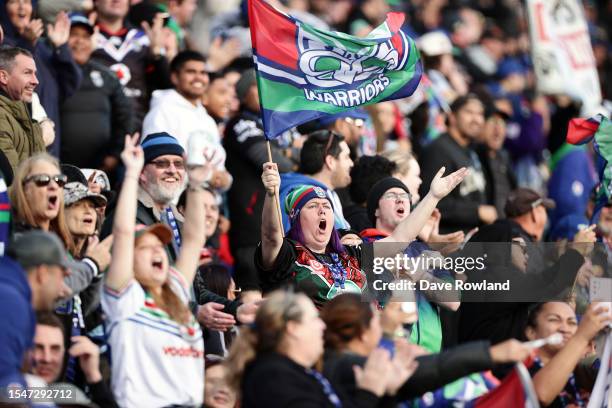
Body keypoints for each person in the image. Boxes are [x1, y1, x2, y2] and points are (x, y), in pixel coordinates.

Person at [257, 160, 467, 307]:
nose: (322, 210)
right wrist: (270, 194)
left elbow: (399, 239)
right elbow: (270, 236)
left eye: (326, 206)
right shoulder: (286, 254)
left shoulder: (351, 254)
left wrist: (433, 197)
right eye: (312, 206)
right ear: (295, 217)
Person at [101, 133, 208, 407]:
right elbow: (124, 233)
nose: (158, 251)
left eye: (160, 246)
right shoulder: (126, 300)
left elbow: (194, 239)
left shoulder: (174, 290)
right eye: (145, 248)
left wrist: (196, 185)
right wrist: (131, 173)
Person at [321, 293, 532, 404]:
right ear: (363, 333)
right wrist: (491, 354)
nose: (381, 325)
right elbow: (426, 371)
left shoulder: (339, 361)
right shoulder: (348, 366)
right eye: (375, 321)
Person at [225, 290, 398, 407]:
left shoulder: (304, 373)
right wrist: (368, 394)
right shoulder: (272, 376)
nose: (323, 326)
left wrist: (387, 392)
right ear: (293, 328)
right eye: (315, 318)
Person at [224, 69, 296, 292]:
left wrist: (289, 152)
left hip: (277, 225)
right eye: (258, 86)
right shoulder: (241, 124)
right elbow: (276, 163)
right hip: (250, 224)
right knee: (253, 290)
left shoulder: (281, 127)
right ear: (244, 94)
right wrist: (292, 154)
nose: (266, 92)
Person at [0, 2, 82, 156]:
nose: (22, 7)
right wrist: (26, 44)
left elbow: (69, 86)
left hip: (49, 148)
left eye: (26, 2)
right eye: (13, 1)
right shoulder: (3, 45)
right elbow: (13, 87)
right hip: (20, 151)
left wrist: (61, 48)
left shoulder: (43, 47)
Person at [143, 50, 232, 191]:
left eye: (203, 73)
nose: (198, 78)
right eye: (191, 72)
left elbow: (219, 167)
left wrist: (224, 178)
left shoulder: (208, 120)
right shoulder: (162, 111)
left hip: (206, 203)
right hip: (173, 202)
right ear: (175, 77)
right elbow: (157, 163)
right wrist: (207, 175)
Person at [1, 231, 72, 393]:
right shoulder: (11, 302)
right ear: (42, 273)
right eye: (62, 276)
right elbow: (5, 392)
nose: (65, 290)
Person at [61, 14, 133, 175]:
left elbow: (125, 117)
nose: (79, 41)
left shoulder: (106, 75)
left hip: (102, 169)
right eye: (73, 35)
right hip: (59, 168)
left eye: (86, 36)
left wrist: (115, 155)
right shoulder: (50, 73)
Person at [101, 132, 186, 262]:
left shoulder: (177, 217)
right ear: (141, 172)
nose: (172, 170)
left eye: (179, 163)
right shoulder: (125, 216)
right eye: (162, 163)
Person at [419, 94, 497, 233]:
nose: (477, 119)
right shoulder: (438, 150)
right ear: (452, 117)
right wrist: (477, 211)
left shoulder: (472, 151)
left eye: (480, 114)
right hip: (447, 242)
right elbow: (430, 202)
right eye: (469, 112)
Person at [92, 0, 171, 125]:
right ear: (95, 2)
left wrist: (157, 54)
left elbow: (166, 87)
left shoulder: (145, 38)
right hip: (97, 123)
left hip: (136, 125)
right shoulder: (82, 36)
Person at [524, 302, 612, 407]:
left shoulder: (575, 374)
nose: (564, 329)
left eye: (571, 322)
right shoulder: (519, 367)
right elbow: (540, 394)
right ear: (531, 332)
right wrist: (581, 336)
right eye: (554, 320)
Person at [31, 312, 118, 407]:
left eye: (55, 349)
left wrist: (94, 377)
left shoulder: (69, 398)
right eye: (38, 348)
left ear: (64, 352)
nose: (47, 358)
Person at [279, 130, 353, 232]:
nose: (351, 163)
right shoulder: (296, 195)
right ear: (330, 161)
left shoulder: (330, 194)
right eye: (346, 157)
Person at [0, 45, 46, 173]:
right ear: (3, 77)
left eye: (35, 74)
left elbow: (42, 173)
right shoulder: (1, 117)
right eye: (27, 73)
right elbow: (10, 186)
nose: (35, 81)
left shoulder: (24, 113)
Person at [477, 103, 516, 217]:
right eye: (493, 122)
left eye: (502, 124)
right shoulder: (472, 156)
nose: (497, 129)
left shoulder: (505, 156)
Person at [63, 182, 107, 258]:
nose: (88, 211)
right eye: (77, 205)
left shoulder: (101, 255)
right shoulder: (51, 252)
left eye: (91, 206)